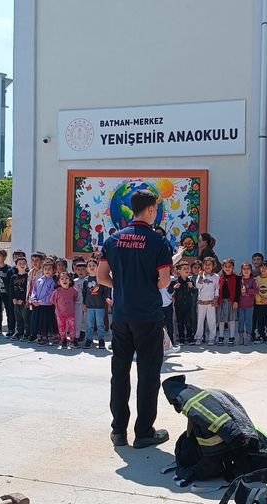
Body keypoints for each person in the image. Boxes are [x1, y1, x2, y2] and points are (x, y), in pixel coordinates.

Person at [96, 189, 173, 449]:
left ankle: (118, 431)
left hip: (121, 315)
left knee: (120, 373)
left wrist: (124, 284)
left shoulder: (114, 239)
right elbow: (163, 280)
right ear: (151, 210)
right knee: (148, 374)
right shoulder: (157, 241)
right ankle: (143, 433)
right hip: (148, 315)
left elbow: (101, 277)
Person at [161, 375, 267, 483]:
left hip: (245, 446)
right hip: (251, 436)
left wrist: (186, 473)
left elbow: (210, 462)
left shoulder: (198, 413)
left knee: (189, 451)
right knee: (187, 443)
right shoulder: (206, 394)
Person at [83, 258, 111, 349]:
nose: (92, 267)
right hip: (90, 306)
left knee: (100, 324)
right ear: (87, 268)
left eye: (94, 265)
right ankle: (89, 339)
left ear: (97, 267)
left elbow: (106, 290)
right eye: (89, 266)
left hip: (100, 306)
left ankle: (101, 340)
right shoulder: (86, 281)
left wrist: (107, 298)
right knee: (90, 324)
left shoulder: (101, 279)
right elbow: (84, 293)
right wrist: (84, 304)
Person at [29, 260, 57, 345]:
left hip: (48, 305)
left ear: (53, 270)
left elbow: (51, 294)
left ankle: (53, 336)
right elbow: (34, 291)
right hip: (38, 305)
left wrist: (41, 301)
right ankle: (42, 335)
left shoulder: (53, 281)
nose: (47, 271)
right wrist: (33, 299)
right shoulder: (39, 280)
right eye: (45, 269)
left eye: (49, 269)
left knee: (49, 321)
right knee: (40, 321)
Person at [194, 257, 220, 346]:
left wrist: (216, 299)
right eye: (205, 264)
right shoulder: (200, 275)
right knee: (200, 321)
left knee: (211, 321)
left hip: (211, 302)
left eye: (210, 264)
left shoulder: (216, 277)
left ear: (213, 266)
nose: (207, 266)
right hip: (201, 302)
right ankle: (199, 337)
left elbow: (217, 289)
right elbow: (198, 286)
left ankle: (212, 338)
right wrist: (201, 276)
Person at [51, 271, 79, 349]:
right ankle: (64, 339)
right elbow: (52, 300)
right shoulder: (57, 292)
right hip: (60, 314)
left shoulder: (73, 290)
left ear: (70, 281)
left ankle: (73, 340)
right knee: (62, 328)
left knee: (72, 327)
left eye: (66, 278)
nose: (64, 280)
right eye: (62, 279)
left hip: (70, 313)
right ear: (59, 282)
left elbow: (75, 297)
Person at [170, 262, 196, 345]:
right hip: (178, 306)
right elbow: (169, 291)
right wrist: (174, 287)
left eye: (187, 268)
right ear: (179, 270)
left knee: (189, 322)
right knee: (180, 322)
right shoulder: (175, 281)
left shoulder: (190, 280)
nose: (187, 270)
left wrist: (192, 287)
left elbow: (195, 291)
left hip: (188, 305)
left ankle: (190, 338)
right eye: (184, 269)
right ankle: (181, 338)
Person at [217, 258, 241, 345]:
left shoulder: (237, 278)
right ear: (223, 267)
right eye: (225, 266)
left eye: (229, 266)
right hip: (222, 301)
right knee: (221, 320)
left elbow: (238, 291)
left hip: (231, 301)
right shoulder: (220, 278)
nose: (227, 268)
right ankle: (221, 337)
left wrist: (236, 301)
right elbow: (217, 290)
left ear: (233, 267)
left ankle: (231, 337)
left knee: (232, 319)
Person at [254, 260, 267, 344]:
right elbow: (255, 291)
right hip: (259, 304)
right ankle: (260, 335)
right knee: (260, 320)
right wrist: (260, 299)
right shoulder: (256, 279)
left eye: (266, 268)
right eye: (262, 267)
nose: (263, 269)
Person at [10, 256, 30, 341]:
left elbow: (27, 289)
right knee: (18, 318)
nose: (22, 265)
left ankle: (27, 333)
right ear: (16, 265)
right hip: (15, 301)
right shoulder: (13, 277)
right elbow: (10, 288)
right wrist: (13, 298)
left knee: (26, 318)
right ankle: (19, 332)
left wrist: (22, 299)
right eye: (20, 263)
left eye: (24, 263)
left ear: (26, 265)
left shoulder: (27, 277)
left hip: (24, 301)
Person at [238, 262, 258, 345]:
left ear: (251, 270)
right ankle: (240, 337)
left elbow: (256, 290)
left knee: (249, 321)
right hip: (240, 305)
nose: (246, 271)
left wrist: (247, 291)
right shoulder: (239, 280)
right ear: (241, 270)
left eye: (248, 269)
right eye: (244, 269)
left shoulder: (253, 280)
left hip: (250, 305)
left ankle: (248, 337)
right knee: (240, 321)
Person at [71, 258, 88, 343]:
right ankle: (77, 336)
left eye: (82, 269)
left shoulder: (88, 280)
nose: (80, 271)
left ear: (86, 270)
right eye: (78, 269)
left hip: (86, 304)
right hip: (77, 304)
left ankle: (86, 335)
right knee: (77, 320)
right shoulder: (74, 281)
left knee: (85, 320)